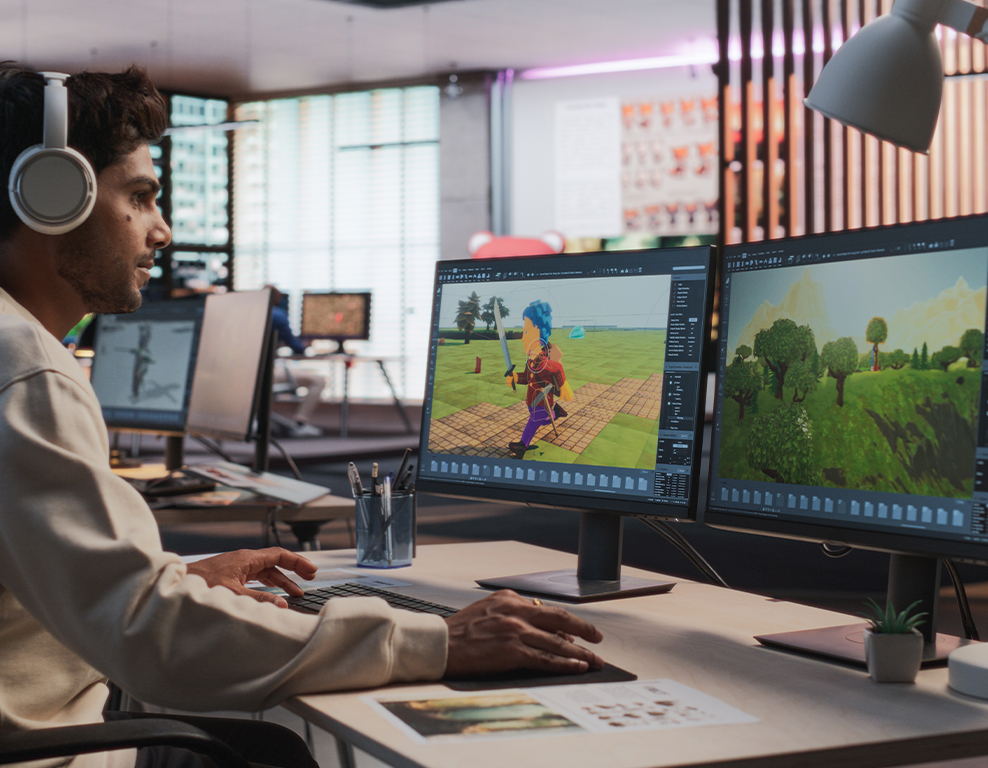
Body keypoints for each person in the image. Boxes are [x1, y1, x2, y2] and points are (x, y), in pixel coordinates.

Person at [0, 64, 603, 768]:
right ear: (52, 195)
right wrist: (440, 641)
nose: (160, 231)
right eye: (139, 197)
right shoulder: (27, 370)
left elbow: (69, 578)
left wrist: (181, 575)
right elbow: (149, 634)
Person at [506, 300, 574, 459]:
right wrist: (515, 377)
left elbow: (557, 368)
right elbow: (526, 377)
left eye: (527, 333)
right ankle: (556, 412)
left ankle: (522, 446)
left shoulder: (543, 362)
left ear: (540, 336)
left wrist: (564, 385)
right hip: (533, 403)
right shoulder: (531, 360)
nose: (523, 338)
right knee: (542, 420)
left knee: (535, 420)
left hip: (541, 402)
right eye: (524, 333)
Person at [265, 284, 326, 438]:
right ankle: (301, 423)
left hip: (246, 375)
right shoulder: (278, 315)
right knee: (318, 381)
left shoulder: (249, 314)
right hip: (267, 373)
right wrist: (304, 346)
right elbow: (297, 347)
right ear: (278, 299)